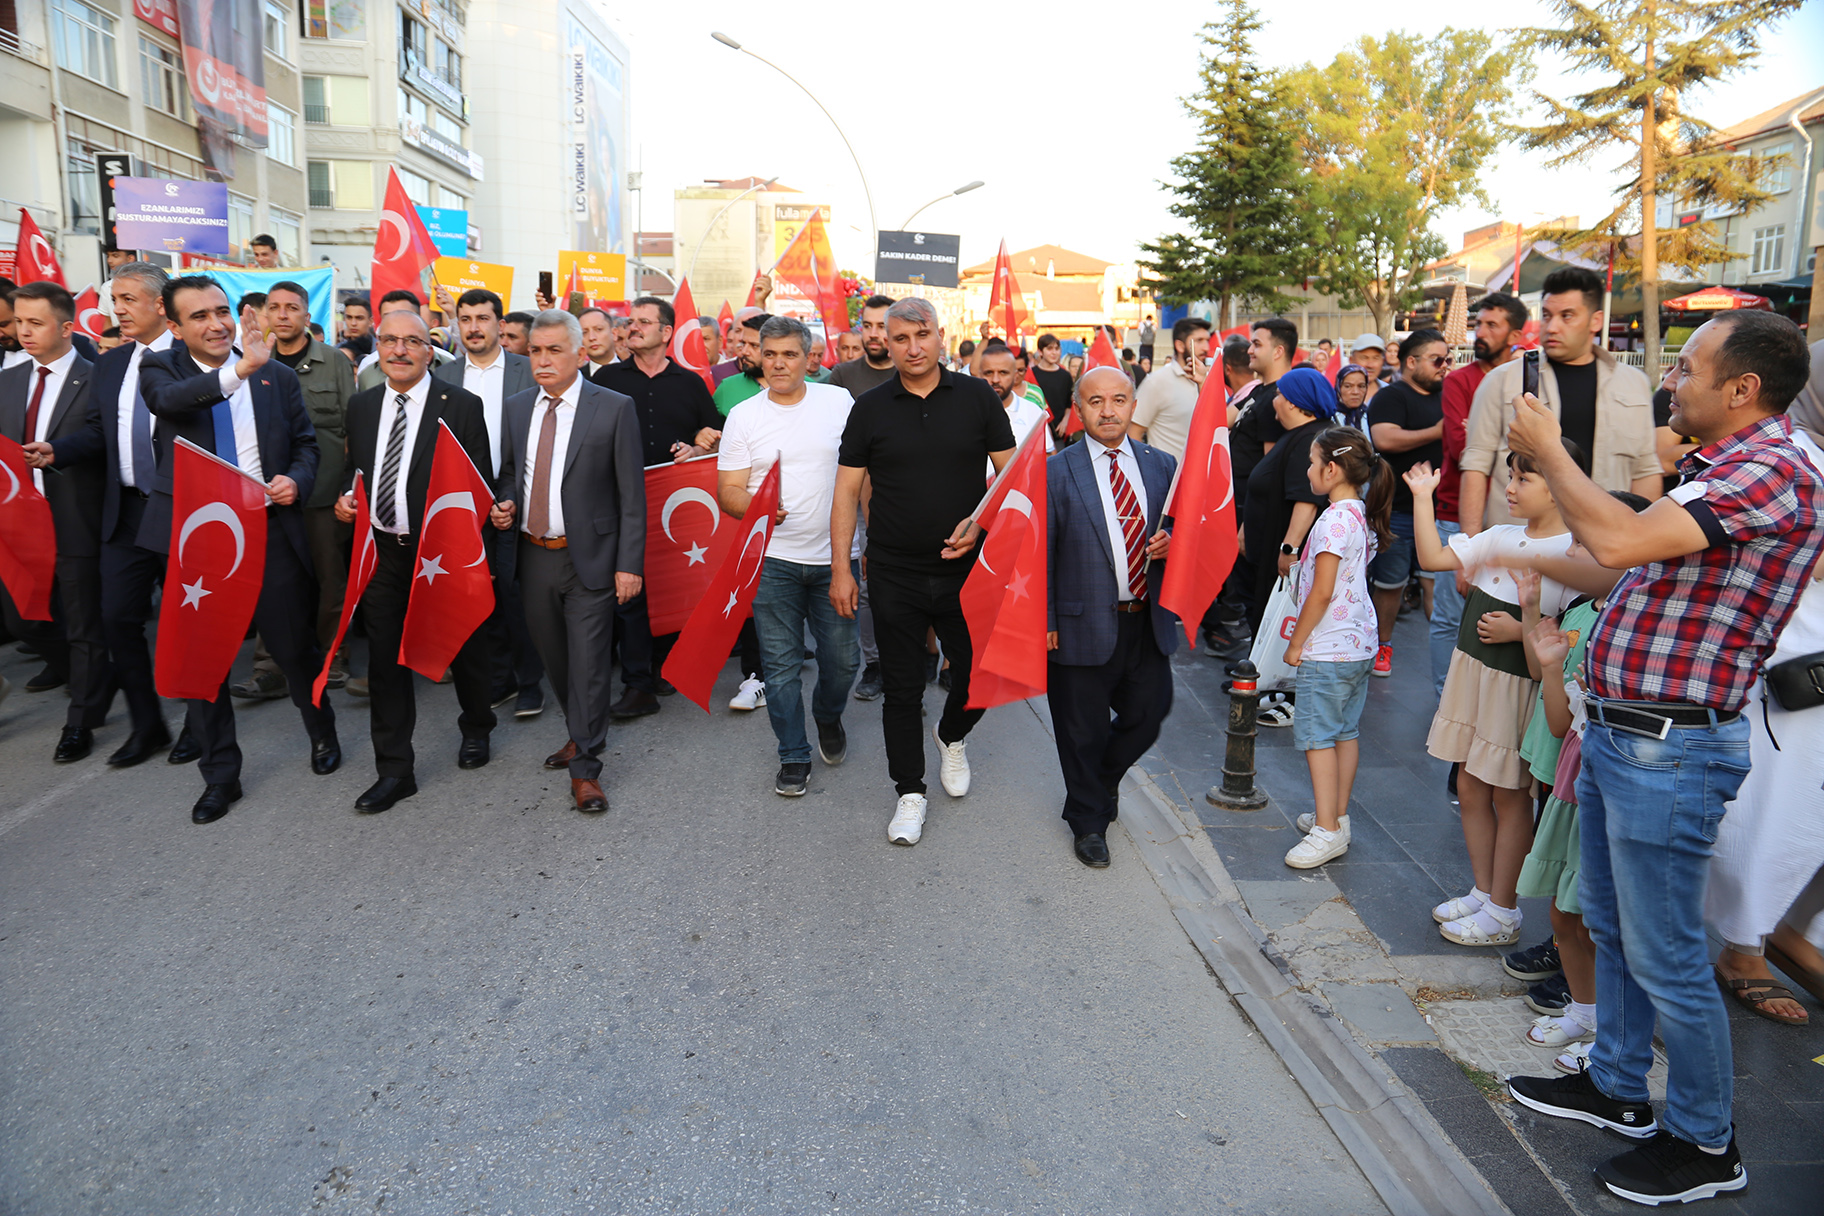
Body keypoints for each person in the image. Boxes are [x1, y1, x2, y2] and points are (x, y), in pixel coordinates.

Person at [1504, 312, 1821, 1205]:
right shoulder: (1723, 466)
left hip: (1669, 746)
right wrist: (1508, 550)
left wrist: (1551, 451)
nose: (1671, 381)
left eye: (1687, 366)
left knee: (1669, 952)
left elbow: (1618, 542)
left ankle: (1705, 1143)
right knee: (1614, 926)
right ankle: (1615, 1085)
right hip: (1627, 734)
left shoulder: (1773, 469)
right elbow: (1625, 570)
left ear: (1743, 388)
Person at [140, 276, 339, 824]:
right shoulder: (161, 369)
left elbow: (305, 444)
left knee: (293, 648)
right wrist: (239, 371)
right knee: (206, 660)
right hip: (197, 540)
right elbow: (170, 403)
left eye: (221, 311)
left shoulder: (277, 376)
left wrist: (296, 480)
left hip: (267, 529)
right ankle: (220, 775)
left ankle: (321, 731)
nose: (216, 324)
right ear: (175, 327)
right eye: (199, 316)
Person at [830, 297, 1015, 846]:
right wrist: (842, 568)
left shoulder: (978, 397)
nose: (913, 348)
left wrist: (980, 525)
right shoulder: (870, 408)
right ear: (886, 342)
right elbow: (845, 491)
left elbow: (1013, 479)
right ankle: (909, 793)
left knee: (981, 675)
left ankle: (951, 735)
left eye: (923, 335)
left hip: (967, 572)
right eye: (901, 338)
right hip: (894, 572)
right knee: (902, 688)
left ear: (940, 336)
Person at [1410, 440, 1579, 950]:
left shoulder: (1573, 555)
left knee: (1509, 794)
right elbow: (1433, 557)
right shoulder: (1500, 535)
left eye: (1525, 479)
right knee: (1469, 784)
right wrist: (1422, 497)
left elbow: (1564, 641)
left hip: (1515, 687)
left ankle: (1504, 908)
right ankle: (1483, 892)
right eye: (1511, 476)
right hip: (1473, 675)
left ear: (1559, 486)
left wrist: (1521, 626)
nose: (1510, 487)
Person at [332, 310, 498, 813]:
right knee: (384, 661)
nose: (399, 350)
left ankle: (477, 726)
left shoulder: (461, 405)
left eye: (411, 341)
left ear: (430, 350)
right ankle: (394, 770)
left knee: (464, 643)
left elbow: (479, 481)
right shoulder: (361, 406)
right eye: (389, 340)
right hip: (385, 552)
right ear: (377, 348)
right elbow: (355, 471)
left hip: (443, 552)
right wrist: (346, 498)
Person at [490, 310, 646, 814]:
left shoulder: (614, 407)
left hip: (592, 560)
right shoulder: (517, 407)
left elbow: (632, 494)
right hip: (533, 554)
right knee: (556, 661)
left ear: (580, 353)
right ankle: (579, 731)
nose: (542, 360)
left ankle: (586, 769)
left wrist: (629, 564)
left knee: (590, 664)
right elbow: (510, 473)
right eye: (535, 350)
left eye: (554, 350)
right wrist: (506, 502)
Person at [717, 316, 859, 796]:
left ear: (809, 358)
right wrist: (756, 507)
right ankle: (793, 755)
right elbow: (728, 490)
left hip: (836, 558)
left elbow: (863, 473)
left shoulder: (838, 402)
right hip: (771, 560)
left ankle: (828, 716)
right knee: (780, 669)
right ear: (759, 356)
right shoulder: (743, 416)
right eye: (770, 354)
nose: (779, 364)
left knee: (843, 662)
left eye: (789, 354)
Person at [1044, 366, 1176, 869]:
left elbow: (1180, 529)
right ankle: (1089, 823)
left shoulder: (1161, 464)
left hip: (1145, 619)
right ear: (1078, 410)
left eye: (1118, 400)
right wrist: (1045, 618)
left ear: (1133, 406)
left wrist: (1172, 542)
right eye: (1095, 401)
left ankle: (1099, 782)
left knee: (1149, 713)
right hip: (1077, 620)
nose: (1108, 410)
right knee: (1081, 730)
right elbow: (1041, 553)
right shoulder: (1056, 471)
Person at [597, 296, 727, 718]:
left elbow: (712, 432)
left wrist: (697, 446)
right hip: (620, 501)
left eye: (643, 322)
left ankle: (666, 665)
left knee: (673, 583)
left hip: (674, 504)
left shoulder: (689, 383)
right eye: (630, 322)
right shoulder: (607, 379)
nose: (632, 328)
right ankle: (638, 683)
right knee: (630, 589)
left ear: (667, 332)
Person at [91, 262, 200, 766]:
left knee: (187, 621)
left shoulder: (192, 359)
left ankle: (201, 722)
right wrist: (56, 450)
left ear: (160, 305)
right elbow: (100, 432)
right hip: (126, 513)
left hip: (178, 511)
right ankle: (147, 725)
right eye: (115, 300)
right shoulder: (111, 363)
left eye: (128, 300)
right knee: (117, 618)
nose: (118, 310)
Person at [229, 279, 359, 700]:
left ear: (307, 315)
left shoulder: (333, 362)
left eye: (292, 307)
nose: (282, 315)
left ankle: (333, 656)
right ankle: (270, 667)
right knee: (273, 582)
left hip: (322, 493)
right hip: (268, 495)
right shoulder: (250, 361)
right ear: (264, 314)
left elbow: (350, 429)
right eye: (275, 307)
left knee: (330, 579)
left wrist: (346, 489)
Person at [1460, 266, 1660, 534]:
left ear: (1596, 320)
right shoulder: (1501, 380)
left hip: (1603, 541)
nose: (1552, 327)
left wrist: (1643, 542)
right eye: (1546, 315)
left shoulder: (1634, 384)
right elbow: (1475, 466)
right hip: (1519, 545)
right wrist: (1470, 548)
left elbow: (1645, 470)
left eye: (1567, 316)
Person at [1, 281, 107, 762]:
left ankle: (81, 719)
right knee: (22, 619)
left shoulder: (97, 377)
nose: (23, 332)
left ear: (66, 328)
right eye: (19, 322)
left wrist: (58, 451)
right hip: (18, 525)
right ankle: (94, 675)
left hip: (73, 516)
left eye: (35, 323)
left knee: (83, 622)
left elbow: (101, 437)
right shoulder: (8, 380)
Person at [1280, 427, 1393, 869]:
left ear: (1332, 469)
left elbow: (1322, 592)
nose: (1308, 470)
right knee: (1344, 732)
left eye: (1312, 463)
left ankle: (1326, 829)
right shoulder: (1358, 513)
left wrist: (1296, 643)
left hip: (1327, 648)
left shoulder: (1331, 521)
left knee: (1318, 737)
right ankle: (1335, 817)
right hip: (1358, 643)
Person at [433, 286, 544, 718]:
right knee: (479, 590)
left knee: (518, 593)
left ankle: (530, 682)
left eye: (482, 319)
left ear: (500, 324)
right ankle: (500, 678)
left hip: (519, 493)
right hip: (462, 499)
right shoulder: (443, 376)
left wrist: (515, 494)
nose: (474, 327)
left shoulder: (526, 370)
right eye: (465, 319)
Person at [1435, 293, 1527, 697]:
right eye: (1479, 324)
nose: (1481, 333)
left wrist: (1483, 436)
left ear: (1515, 334)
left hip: (1514, 518)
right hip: (1457, 511)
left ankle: (1485, 700)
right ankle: (1445, 698)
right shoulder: (1459, 380)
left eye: (1492, 325)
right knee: (1450, 614)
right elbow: (1462, 448)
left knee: (1506, 613)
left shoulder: (1530, 380)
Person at [1365, 329, 1449, 679]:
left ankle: (1448, 657)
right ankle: (1381, 646)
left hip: (1440, 511)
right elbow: (1385, 438)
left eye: (1448, 359)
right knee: (1390, 586)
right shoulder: (1390, 396)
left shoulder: (1449, 394)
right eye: (1437, 359)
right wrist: (1437, 431)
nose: (1445, 366)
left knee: (1437, 585)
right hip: (1397, 510)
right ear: (1411, 362)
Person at [1241, 367, 1337, 650]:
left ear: (1294, 402)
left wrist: (1289, 548)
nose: (1274, 400)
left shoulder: (1310, 439)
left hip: (1283, 557)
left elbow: (1306, 500)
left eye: (1279, 394)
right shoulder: (1297, 434)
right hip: (1268, 551)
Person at [1128, 316, 1211, 463]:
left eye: (1207, 341)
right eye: (1198, 341)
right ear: (1180, 346)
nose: (1206, 348)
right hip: (1169, 475)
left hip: (1206, 472)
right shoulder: (1157, 382)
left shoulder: (1211, 381)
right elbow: (1134, 432)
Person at [979, 342, 1053, 469]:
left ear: (1015, 375)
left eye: (1003, 373)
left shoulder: (1032, 412)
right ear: (979, 374)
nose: (995, 380)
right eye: (989, 373)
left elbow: (1048, 456)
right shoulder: (964, 411)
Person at [828, 295, 898, 398]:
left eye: (882, 326)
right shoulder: (842, 374)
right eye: (867, 326)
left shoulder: (910, 373)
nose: (873, 334)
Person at [713, 314, 768, 415]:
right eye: (743, 343)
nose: (744, 352)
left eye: (754, 345)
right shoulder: (727, 388)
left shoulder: (799, 386)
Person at [1031, 334, 1074, 432]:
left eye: (1057, 349)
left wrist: (1065, 421)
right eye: (1049, 349)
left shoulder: (1065, 375)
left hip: (1059, 430)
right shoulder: (1031, 374)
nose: (1054, 352)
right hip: (1036, 428)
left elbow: (1069, 403)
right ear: (1040, 351)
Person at [578, 308, 618, 379]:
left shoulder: (635, 372)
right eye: (584, 332)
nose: (591, 337)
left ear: (614, 334)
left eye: (599, 329)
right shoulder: (575, 379)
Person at [1348, 334, 1386, 400]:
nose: (1370, 365)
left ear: (1383, 361)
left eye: (1375, 358)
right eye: (1364, 358)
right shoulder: (1337, 393)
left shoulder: (1392, 393)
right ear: (1351, 360)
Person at [1335, 365, 1371, 432]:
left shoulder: (1372, 417)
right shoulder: (1328, 418)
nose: (1355, 392)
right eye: (1348, 386)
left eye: (1361, 386)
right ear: (1339, 387)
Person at [338, 295, 373, 362]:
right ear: (344, 319)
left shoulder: (380, 350)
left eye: (359, 318)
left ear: (370, 321)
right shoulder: (336, 351)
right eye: (349, 317)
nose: (353, 323)